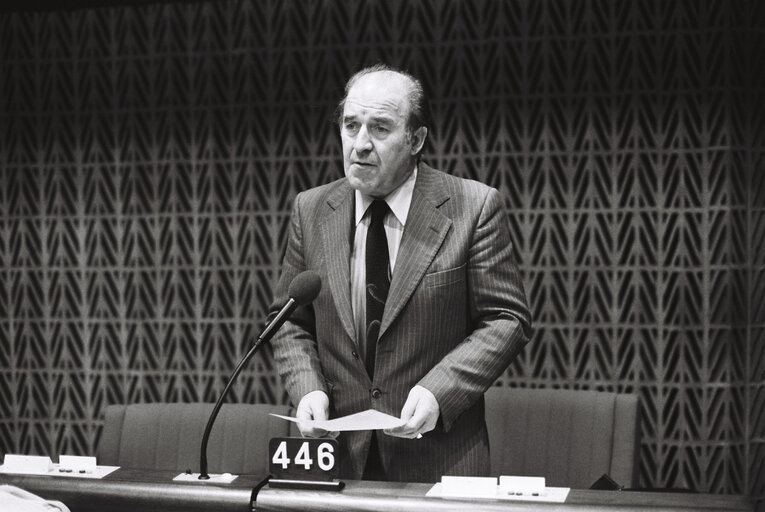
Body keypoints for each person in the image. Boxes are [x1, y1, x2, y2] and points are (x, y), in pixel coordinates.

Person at [268, 63, 531, 483]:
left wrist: (439, 390)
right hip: (337, 456)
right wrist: (308, 387)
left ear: (416, 138)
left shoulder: (473, 206)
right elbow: (288, 322)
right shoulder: (311, 208)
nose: (361, 144)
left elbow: (506, 320)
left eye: (381, 128)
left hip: (436, 456)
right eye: (351, 126)